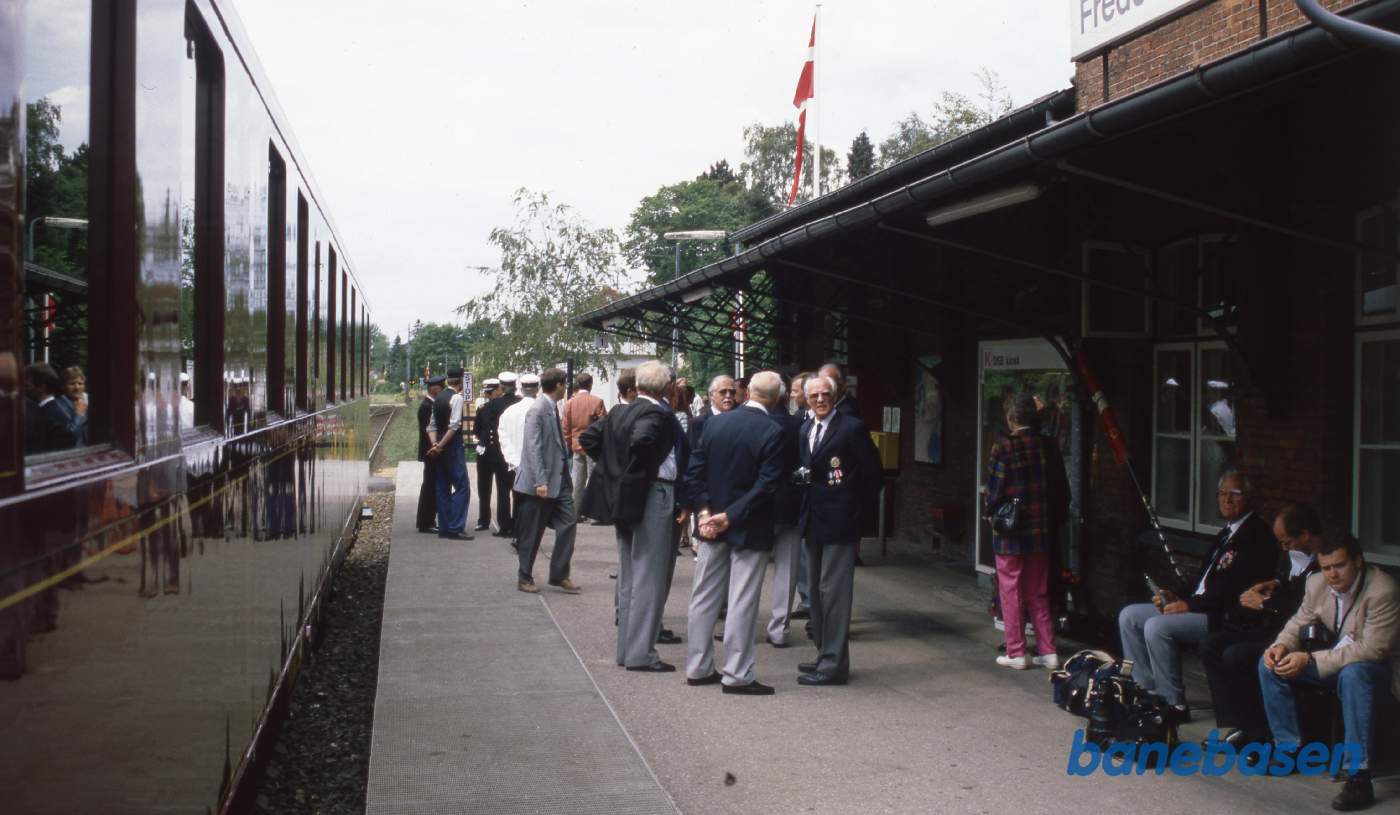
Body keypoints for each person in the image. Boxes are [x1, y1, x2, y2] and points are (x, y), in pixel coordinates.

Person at [1118, 470, 1276, 722]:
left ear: (1248, 497)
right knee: (1129, 616)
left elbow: (1230, 590)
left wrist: (1188, 605)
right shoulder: (1227, 532)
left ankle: (1173, 704)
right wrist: (1175, 594)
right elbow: (1204, 580)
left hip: (1218, 615)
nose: (1227, 499)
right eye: (1222, 494)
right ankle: (1145, 690)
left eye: (1234, 494)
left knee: (1157, 626)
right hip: (1195, 605)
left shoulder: (1255, 536)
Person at [1259, 533, 1399, 811]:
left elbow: (1372, 649)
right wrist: (1280, 646)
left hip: (1382, 669)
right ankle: (1289, 749)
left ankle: (1358, 775)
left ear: (1357, 561)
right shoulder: (1316, 583)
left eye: (1340, 565)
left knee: (1354, 674)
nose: (1332, 574)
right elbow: (1300, 621)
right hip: (1336, 660)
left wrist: (1309, 658)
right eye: (1326, 567)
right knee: (1272, 665)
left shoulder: (1383, 589)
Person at [684, 370, 785, 695]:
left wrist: (704, 512)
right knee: (742, 599)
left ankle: (698, 667)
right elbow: (767, 484)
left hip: (710, 521)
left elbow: (694, 472)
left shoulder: (714, 423)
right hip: (748, 525)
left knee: (703, 596)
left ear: (746, 392)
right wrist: (732, 516)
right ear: (778, 397)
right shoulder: (772, 430)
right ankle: (737, 674)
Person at [1199, 501, 1323, 748]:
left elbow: (1308, 608)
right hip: (1274, 628)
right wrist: (1272, 584)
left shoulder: (1323, 563)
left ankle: (1257, 731)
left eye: (1287, 542)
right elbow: (1286, 577)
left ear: (1306, 536)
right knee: (1210, 644)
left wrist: (1265, 604)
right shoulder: (1292, 554)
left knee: (1238, 655)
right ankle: (1237, 724)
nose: (1284, 548)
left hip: (1302, 636)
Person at [796, 374, 881, 686]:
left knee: (834, 594)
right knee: (816, 594)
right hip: (813, 522)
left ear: (834, 396)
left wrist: (856, 514)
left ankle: (833, 665)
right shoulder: (806, 428)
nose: (820, 399)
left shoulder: (851, 428)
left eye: (825, 394)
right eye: (814, 395)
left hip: (841, 523)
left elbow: (873, 474)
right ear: (805, 399)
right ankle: (824, 654)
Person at [984, 393, 1070, 670]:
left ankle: (1016, 651)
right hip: (1040, 530)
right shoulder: (1048, 445)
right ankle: (1048, 650)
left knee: (1010, 590)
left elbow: (994, 492)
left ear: (1010, 419)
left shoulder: (1003, 447)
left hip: (1011, 532)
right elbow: (1061, 489)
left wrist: (990, 513)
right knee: (1038, 591)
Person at [612, 362, 687, 671]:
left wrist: (619, 474)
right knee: (648, 577)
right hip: (654, 493)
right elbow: (642, 443)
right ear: (666, 387)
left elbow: (593, 439)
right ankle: (641, 653)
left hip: (628, 496)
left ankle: (628, 651)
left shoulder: (621, 411)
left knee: (631, 577)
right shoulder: (658, 414)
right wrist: (642, 473)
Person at [513, 368, 580, 594]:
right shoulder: (538, 410)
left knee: (569, 523)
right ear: (559, 385)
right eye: (565, 384)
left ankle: (559, 573)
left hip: (558, 481)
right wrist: (540, 481)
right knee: (533, 533)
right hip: (539, 484)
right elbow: (533, 447)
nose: (566, 387)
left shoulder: (551, 408)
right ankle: (524, 577)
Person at [764, 373, 805, 648]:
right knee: (787, 569)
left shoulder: (750, 424)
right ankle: (779, 628)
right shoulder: (797, 426)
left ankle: (739, 622)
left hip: (757, 506)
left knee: (747, 569)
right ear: (782, 397)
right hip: (789, 504)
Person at [425, 368, 472, 540]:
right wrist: (442, 446)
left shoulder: (438, 399)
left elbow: (430, 426)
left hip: (439, 447)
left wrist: (435, 445)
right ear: (460, 381)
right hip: (452, 447)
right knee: (462, 487)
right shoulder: (457, 398)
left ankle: (444, 526)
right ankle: (455, 527)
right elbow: (454, 425)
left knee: (442, 486)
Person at [480, 371, 522, 537]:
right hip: (519, 453)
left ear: (502, 387)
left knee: (503, 492)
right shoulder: (521, 403)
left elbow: (490, 430)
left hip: (500, 454)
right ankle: (519, 524)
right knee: (519, 491)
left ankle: (505, 526)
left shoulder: (493, 406)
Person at [789, 372, 815, 620]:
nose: (792, 395)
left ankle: (817, 602)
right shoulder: (798, 419)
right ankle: (807, 600)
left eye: (796, 390)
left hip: (822, 496)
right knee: (803, 551)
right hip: (801, 494)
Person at [561, 372, 607, 514]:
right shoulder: (597, 401)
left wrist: (570, 444)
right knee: (595, 480)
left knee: (577, 481)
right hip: (593, 448)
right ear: (591, 384)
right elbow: (604, 425)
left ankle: (575, 511)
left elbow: (565, 428)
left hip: (576, 446)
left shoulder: (569, 403)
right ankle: (594, 513)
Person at [23, 362, 77, 454]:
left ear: (42, 387)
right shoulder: (51, 412)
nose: (25, 389)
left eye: (28, 386)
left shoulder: (50, 416)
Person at [415, 376, 445, 533]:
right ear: (434, 389)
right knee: (430, 486)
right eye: (441, 388)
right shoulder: (428, 407)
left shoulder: (428, 405)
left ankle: (427, 521)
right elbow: (430, 431)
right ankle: (426, 522)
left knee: (430, 485)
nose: (442, 390)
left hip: (430, 452)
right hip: (430, 452)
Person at [471, 379, 500, 531]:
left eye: (490, 392)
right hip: (498, 452)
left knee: (485, 487)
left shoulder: (482, 409)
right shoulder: (501, 407)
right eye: (488, 392)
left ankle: (484, 520)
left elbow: (476, 430)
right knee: (488, 488)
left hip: (486, 451)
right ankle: (496, 519)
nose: (489, 395)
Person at [61, 366, 88, 445]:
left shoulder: (87, 401)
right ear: (63, 386)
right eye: (72, 384)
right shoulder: (57, 406)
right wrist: (79, 415)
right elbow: (69, 437)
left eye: (80, 383)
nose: (77, 387)